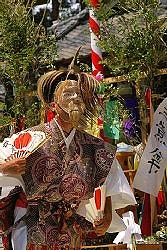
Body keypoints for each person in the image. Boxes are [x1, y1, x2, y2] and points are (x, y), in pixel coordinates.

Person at [0, 68, 136, 249]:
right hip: (32, 224)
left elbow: (107, 184)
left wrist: (106, 214)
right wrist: (5, 167)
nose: (75, 99)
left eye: (79, 94)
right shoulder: (29, 138)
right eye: (68, 93)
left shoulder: (97, 148)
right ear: (52, 104)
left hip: (71, 229)